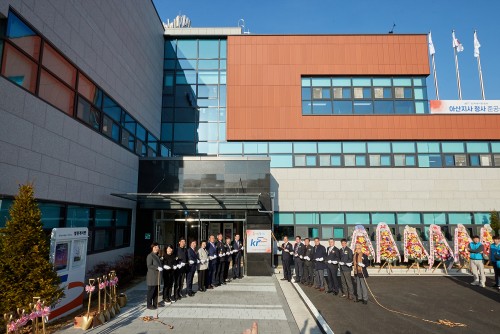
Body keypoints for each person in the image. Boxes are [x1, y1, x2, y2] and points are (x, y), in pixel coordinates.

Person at [146, 242, 162, 309]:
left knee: (156, 291)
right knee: (151, 292)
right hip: (152, 277)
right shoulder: (150, 255)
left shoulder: (157, 255)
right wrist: (157, 268)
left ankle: (155, 303)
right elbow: (149, 265)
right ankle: (149, 305)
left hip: (157, 277)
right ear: (152, 248)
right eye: (155, 247)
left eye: (157, 247)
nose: (156, 248)